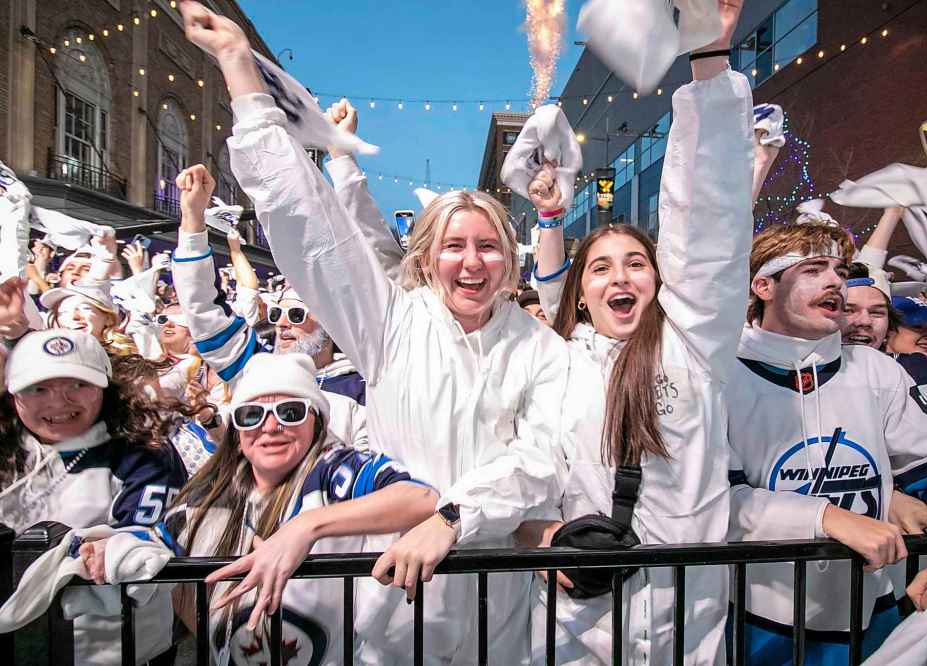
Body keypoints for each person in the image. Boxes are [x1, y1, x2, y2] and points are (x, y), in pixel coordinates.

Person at [178, 4, 570, 663]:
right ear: (425, 258)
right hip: (391, 610)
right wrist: (242, 75)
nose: (471, 263)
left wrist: (453, 519)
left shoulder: (542, 348)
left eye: (488, 247)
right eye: (453, 247)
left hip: (499, 611)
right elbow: (307, 226)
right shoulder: (391, 323)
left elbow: (538, 461)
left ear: (510, 260)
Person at [515, 4, 752, 660]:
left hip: (688, 631)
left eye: (636, 263)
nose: (620, 277)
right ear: (580, 295)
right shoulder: (551, 365)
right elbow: (518, 476)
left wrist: (708, 61)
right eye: (601, 267)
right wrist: (536, 538)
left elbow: (709, 225)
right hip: (575, 632)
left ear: (660, 279)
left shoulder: (694, 347)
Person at [727, 220, 927, 664]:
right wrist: (824, 517)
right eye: (814, 267)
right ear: (763, 285)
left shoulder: (877, 371)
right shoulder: (720, 374)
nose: (836, 279)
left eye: (840, 268)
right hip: (752, 624)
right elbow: (710, 500)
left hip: (874, 619)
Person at [80, 352, 437, 665]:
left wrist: (305, 527)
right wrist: (109, 548)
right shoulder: (211, 492)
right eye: (252, 414)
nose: (271, 426)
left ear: (316, 421)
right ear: (236, 428)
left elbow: (419, 498)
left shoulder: (332, 470)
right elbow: (163, 552)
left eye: (290, 412)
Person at [0, 323, 188, 663]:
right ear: (14, 396)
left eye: (78, 384)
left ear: (105, 388)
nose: (59, 401)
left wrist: (111, 548)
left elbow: (154, 538)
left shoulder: (143, 450)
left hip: (118, 648)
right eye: (38, 388)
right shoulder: (8, 450)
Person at [170, 165, 367, 450]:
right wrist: (192, 219)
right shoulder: (257, 366)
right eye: (276, 313)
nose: (282, 323)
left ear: (332, 322)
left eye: (296, 314)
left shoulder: (363, 384)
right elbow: (202, 309)